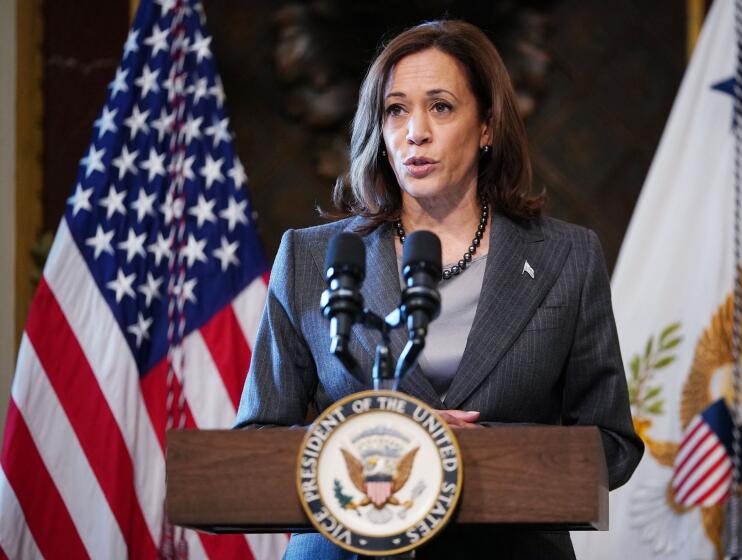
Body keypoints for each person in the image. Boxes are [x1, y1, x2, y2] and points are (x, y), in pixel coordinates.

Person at [235, 19, 643, 559]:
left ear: (488, 126)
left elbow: (612, 446)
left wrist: (480, 453)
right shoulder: (313, 258)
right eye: (396, 109)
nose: (415, 131)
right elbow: (255, 442)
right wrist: (382, 434)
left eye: (441, 107)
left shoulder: (566, 257)